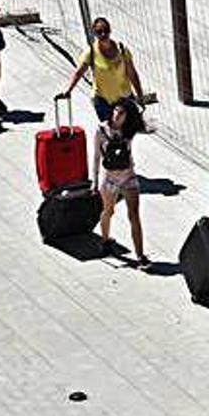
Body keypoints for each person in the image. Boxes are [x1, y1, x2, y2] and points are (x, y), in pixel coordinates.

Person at [59, 17, 145, 133]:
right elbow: (79, 73)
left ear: (110, 30)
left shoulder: (122, 50)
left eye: (106, 30)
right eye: (99, 32)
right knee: (109, 132)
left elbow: (132, 73)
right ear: (94, 34)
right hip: (103, 101)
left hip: (124, 99)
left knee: (125, 133)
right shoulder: (91, 52)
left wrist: (139, 95)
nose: (103, 34)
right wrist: (68, 90)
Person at [91, 97, 149, 270]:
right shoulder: (101, 130)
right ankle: (105, 240)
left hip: (129, 177)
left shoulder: (129, 130)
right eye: (115, 110)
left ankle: (140, 256)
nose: (117, 114)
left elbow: (146, 125)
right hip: (109, 179)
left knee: (134, 215)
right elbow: (96, 157)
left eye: (122, 112)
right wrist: (94, 182)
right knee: (108, 211)